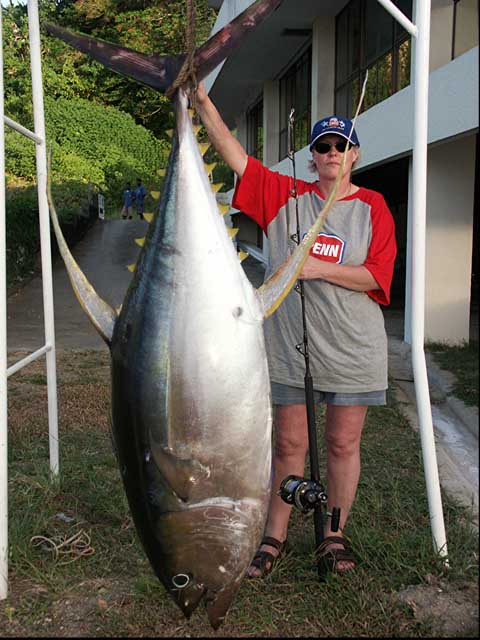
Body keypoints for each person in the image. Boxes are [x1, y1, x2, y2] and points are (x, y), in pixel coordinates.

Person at [195, 83, 397, 577]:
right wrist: (201, 102)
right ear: (313, 158)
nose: (332, 153)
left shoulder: (373, 206)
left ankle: (333, 534)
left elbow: (377, 275)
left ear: (354, 155)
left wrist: (314, 268)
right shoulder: (285, 196)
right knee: (288, 445)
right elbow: (237, 158)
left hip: (353, 349)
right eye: (323, 147)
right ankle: (273, 535)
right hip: (291, 347)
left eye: (341, 146)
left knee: (343, 445)